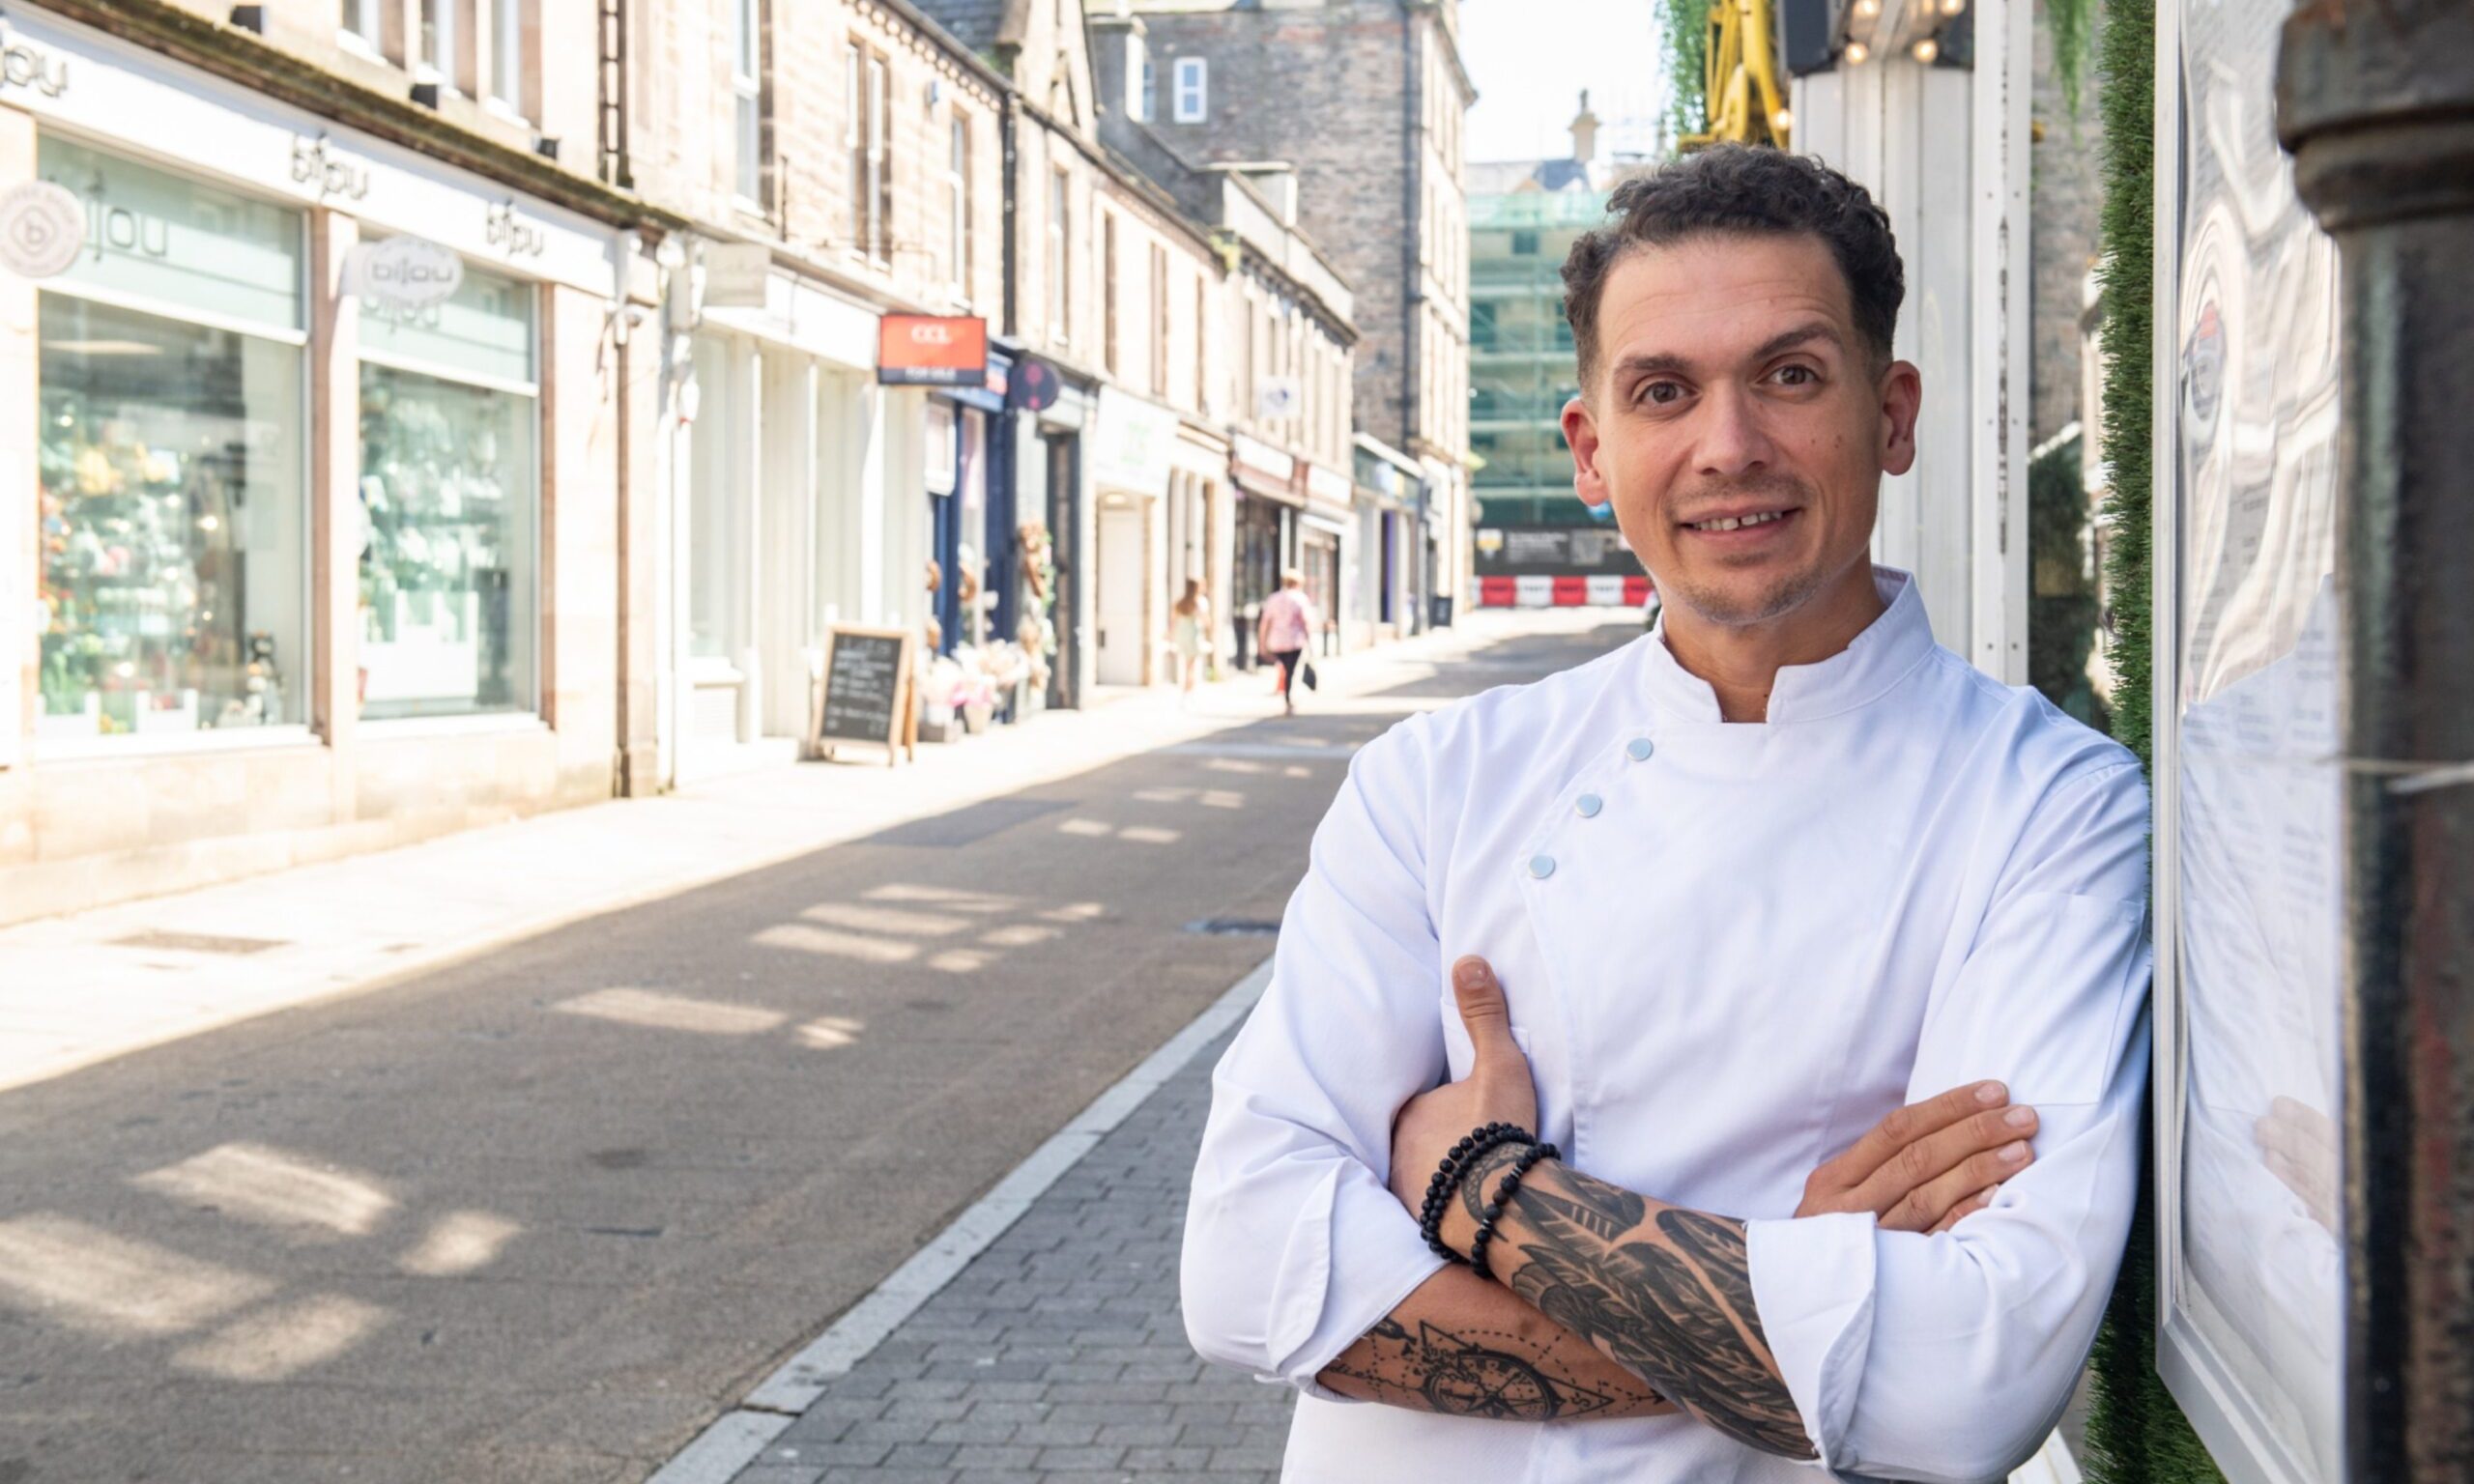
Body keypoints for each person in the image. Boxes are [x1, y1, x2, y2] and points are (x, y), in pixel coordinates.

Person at [1182, 144, 2149, 1482]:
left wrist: (1481, 1193)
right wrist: (1806, 1291)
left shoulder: (2051, 806)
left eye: (1791, 375)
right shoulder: (1435, 779)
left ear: (1895, 412)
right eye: (1663, 392)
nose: (1728, 445)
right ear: (1592, 447)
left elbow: (1971, 1380)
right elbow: (1241, 1271)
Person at [1255, 570, 1318, 716]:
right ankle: (1289, 699)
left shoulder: (1273, 598)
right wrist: (1310, 640)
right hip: (1294, 641)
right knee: (1292, 671)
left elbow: (1265, 623)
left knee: (1285, 668)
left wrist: (1262, 643)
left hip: (1277, 641)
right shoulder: (1300, 599)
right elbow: (1306, 622)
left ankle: (1287, 696)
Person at [1171, 577, 1213, 699]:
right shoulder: (1198, 602)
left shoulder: (1180, 602)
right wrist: (1210, 629)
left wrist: (1171, 634)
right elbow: (1205, 620)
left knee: (1187, 665)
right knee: (1191, 666)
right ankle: (1188, 692)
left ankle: (1186, 690)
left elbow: (1173, 620)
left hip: (1181, 635)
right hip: (1192, 635)